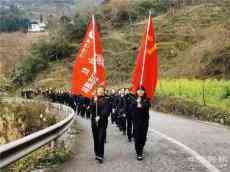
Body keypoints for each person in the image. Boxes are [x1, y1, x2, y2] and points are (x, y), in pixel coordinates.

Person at [90, 87, 110, 163]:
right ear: (97, 91)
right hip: (94, 122)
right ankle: (96, 152)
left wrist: (100, 116)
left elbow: (106, 110)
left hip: (102, 122)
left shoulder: (106, 100)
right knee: (95, 138)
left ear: (104, 92)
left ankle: (100, 155)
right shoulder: (93, 99)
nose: (100, 92)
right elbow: (90, 110)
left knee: (101, 138)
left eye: (102, 90)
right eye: (99, 90)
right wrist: (94, 103)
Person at [131, 87, 151, 161]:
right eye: (139, 90)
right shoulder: (133, 99)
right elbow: (132, 108)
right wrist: (136, 102)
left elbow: (147, 106)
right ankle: (138, 152)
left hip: (144, 121)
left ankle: (141, 147)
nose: (140, 92)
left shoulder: (147, 99)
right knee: (137, 136)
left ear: (144, 91)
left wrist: (140, 104)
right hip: (136, 121)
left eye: (142, 90)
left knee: (143, 137)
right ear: (136, 91)